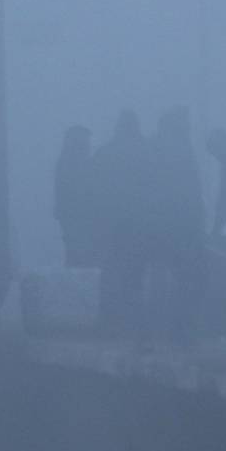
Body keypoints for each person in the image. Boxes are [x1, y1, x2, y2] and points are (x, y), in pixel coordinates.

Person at [93, 110, 155, 334]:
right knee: (135, 274)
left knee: (111, 270)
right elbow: (155, 187)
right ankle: (136, 321)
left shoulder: (105, 153)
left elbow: (94, 190)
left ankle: (110, 319)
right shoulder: (147, 152)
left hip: (111, 223)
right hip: (140, 224)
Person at [153, 107, 206, 343]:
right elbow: (190, 190)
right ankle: (181, 329)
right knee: (184, 277)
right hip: (182, 225)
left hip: (171, 224)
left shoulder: (164, 150)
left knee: (174, 276)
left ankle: (173, 328)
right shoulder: (180, 151)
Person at [54, 126, 99, 269]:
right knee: (79, 246)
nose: (88, 144)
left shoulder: (64, 161)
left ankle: (75, 271)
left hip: (70, 213)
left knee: (73, 247)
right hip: (78, 213)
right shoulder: (81, 162)